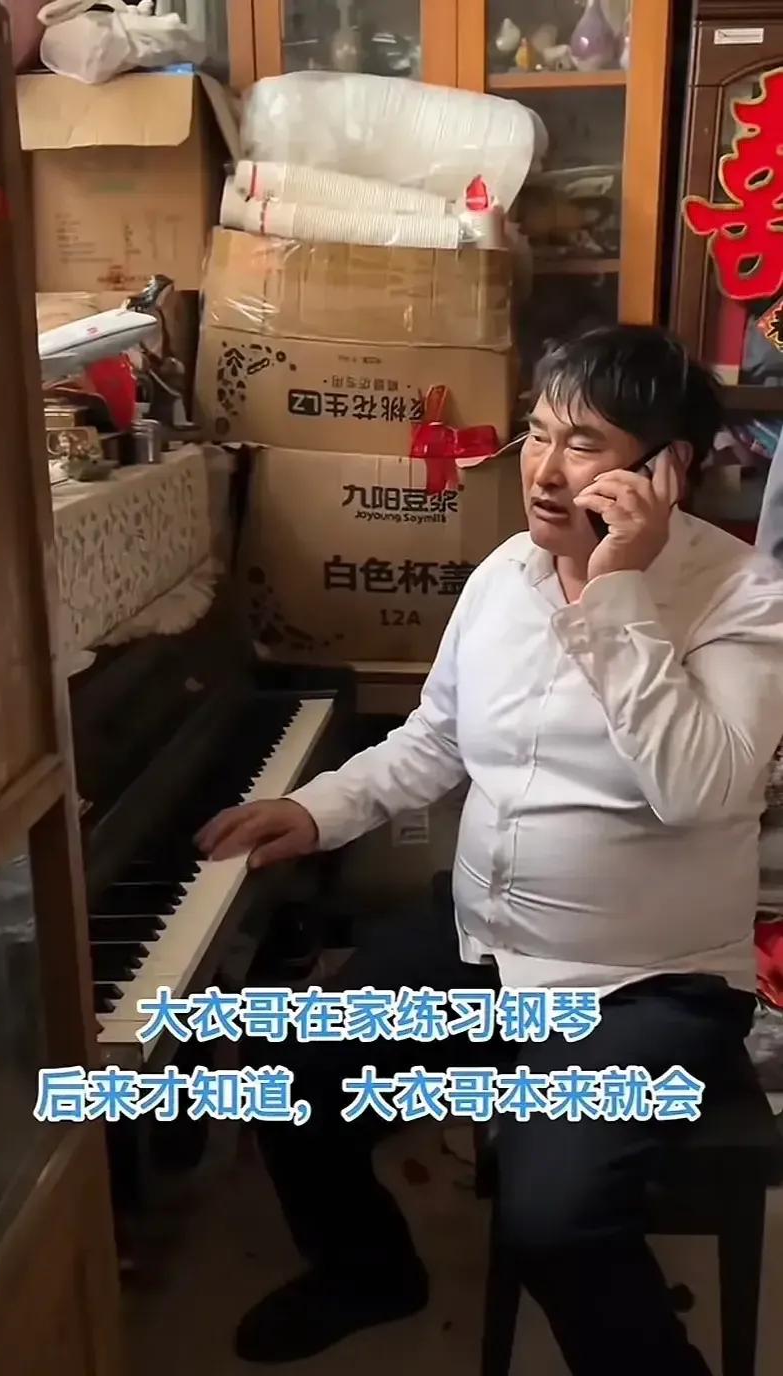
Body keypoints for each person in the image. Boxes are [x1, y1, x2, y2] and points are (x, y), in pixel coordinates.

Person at [197, 325, 783, 1374]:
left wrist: (617, 591)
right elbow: (436, 737)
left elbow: (699, 790)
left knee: (554, 1218)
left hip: (644, 985)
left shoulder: (744, 600)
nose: (545, 472)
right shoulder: (507, 573)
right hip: (486, 940)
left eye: (585, 444)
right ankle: (371, 1270)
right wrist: (319, 810)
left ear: (668, 470)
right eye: (538, 433)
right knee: (290, 1067)